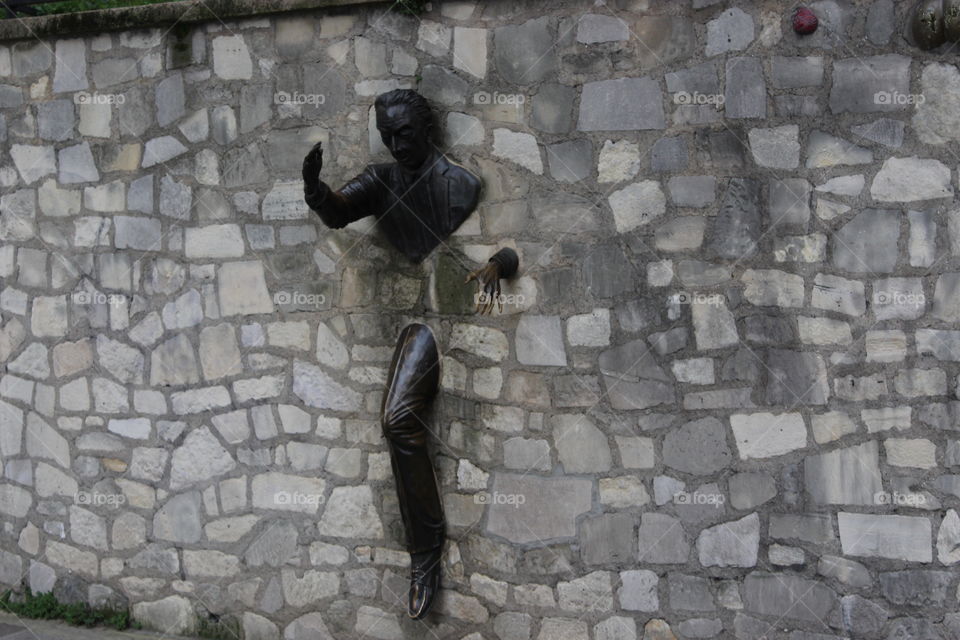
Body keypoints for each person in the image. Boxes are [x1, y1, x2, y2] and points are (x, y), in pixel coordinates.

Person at [301, 88, 518, 619]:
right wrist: (314, 190)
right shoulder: (380, 181)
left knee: (398, 420)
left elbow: (506, 257)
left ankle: (425, 552)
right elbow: (339, 212)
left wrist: (499, 264)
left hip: (449, 320)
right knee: (396, 421)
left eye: (404, 134)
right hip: (414, 322)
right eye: (387, 136)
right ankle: (425, 551)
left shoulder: (460, 184)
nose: (396, 145)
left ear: (428, 130)